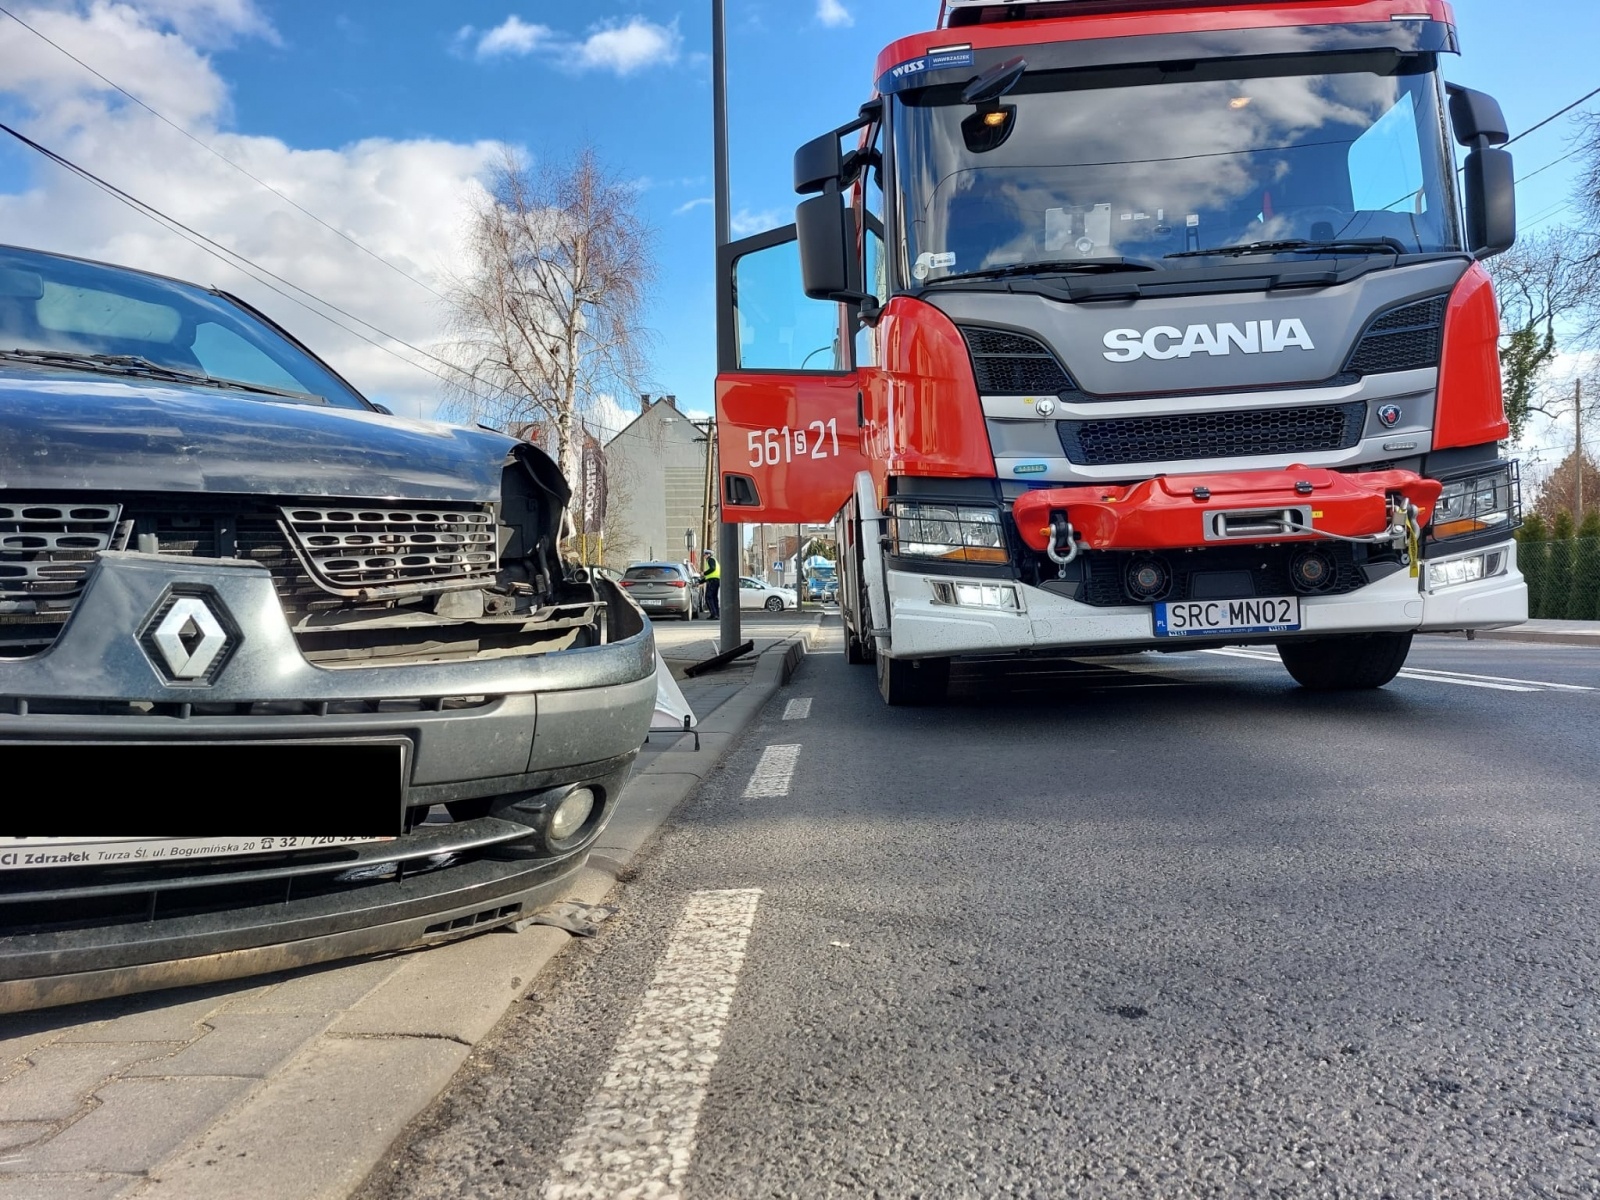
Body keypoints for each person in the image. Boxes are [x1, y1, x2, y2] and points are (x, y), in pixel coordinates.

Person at [702, 551, 720, 620]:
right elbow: (709, 576)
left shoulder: (710, 560)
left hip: (712, 581)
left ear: (708, 555)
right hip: (715, 580)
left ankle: (714, 614)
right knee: (714, 598)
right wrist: (700, 581)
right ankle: (716, 614)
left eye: (705, 555)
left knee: (709, 597)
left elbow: (712, 569)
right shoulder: (714, 560)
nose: (704, 556)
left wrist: (704, 573)